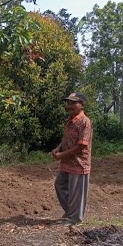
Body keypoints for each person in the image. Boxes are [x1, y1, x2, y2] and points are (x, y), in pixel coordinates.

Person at [50, 91, 93, 226]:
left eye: (74, 103)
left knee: (76, 192)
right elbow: (66, 139)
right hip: (67, 162)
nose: (70, 105)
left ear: (82, 105)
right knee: (60, 185)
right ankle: (70, 212)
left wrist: (61, 155)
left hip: (79, 163)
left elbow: (81, 146)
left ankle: (75, 218)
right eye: (68, 102)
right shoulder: (69, 121)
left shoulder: (85, 122)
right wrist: (58, 148)